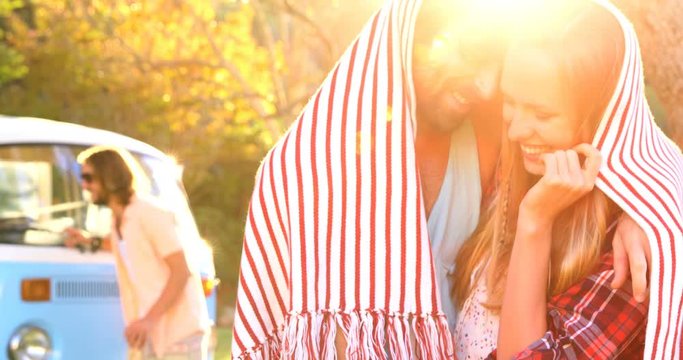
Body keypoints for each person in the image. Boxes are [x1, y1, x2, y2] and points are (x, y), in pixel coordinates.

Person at [231, 0, 655, 358]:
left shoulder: (495, 142)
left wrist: (647, 206)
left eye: (497, 64)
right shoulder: (304, 167)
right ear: (405, 39)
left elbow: (605, 113)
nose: (487, 87)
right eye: (469, 53)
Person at [451, 0, 683, 358]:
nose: (516, 129)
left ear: (604, 115)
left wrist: (535, 222)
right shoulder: (513, 170)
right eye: (510, 100)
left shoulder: (629, 251)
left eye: (542, 114)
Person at [65, 147, 211, 359]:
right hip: (148, 334)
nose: (84, 185)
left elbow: (181, 270)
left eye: (88, 178)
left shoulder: (149, 212)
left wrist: (148, 320)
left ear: (109, 177)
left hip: (178, 334)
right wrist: (89, 240)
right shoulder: (120, 219)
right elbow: (134, 248)